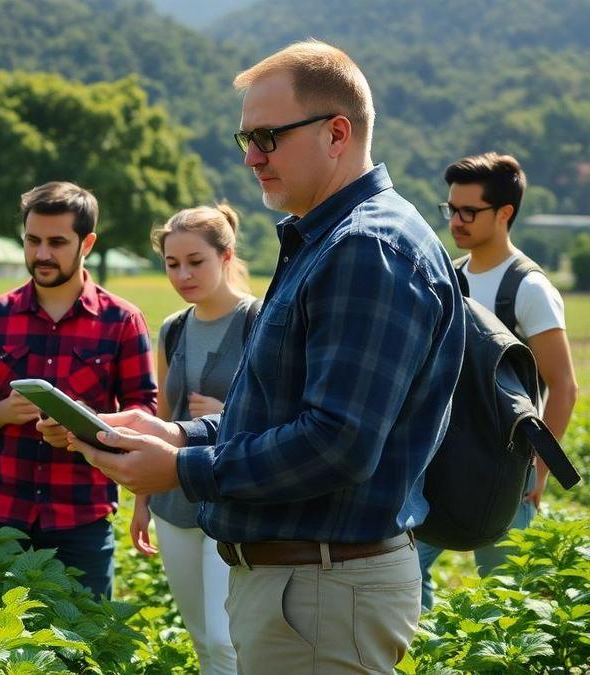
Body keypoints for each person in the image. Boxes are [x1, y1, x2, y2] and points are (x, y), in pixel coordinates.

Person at [66, 40, 465, 673]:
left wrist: (184, 469)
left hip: (322, 590)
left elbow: (338, 441)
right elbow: (278, 408)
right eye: (245, 138)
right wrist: (176, 432)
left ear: (337, 133)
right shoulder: (327, 239)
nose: (251, 156)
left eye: (268, 137)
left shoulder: (367, 248)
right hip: (307, 588)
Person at [0, 180, 158, 599]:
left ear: (88, 243)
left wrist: (85, 428)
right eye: (33, 240)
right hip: (2, 521)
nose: (42, 254)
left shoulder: (122, 321)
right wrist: (4, 411)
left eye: (57, 242)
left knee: (84, 650)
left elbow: (144, 416)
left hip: (81, 520)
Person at [416, 152, 578, 609]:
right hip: (439, 461)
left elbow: (563, 386)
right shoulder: (448, 277)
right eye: (451, 209)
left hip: (506, 468)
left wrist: (539, 470)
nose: (457, 221)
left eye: (470, 211)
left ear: (504, 213)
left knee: (506, 602)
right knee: (404, 579)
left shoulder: (528, 288)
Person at [132, 204, 255, 675]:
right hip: (173, 498)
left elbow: (281, 411)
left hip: (232, 497)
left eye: (195, 261)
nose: (183, 274)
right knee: (202, 638)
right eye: (172, 263)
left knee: (228, 641)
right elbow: (163, 415)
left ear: (225, 256)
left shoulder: (259, 321)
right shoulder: (173, 328)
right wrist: (143, 499)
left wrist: (228, 416)